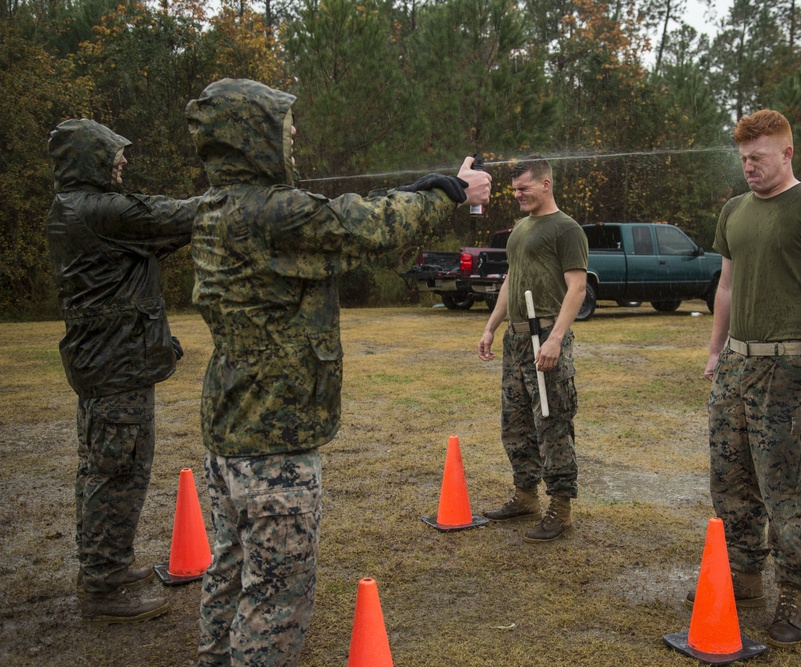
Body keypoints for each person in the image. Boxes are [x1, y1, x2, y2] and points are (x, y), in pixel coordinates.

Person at [185, 78, 491, 666]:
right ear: (252, 136)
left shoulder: (223, 206)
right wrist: (448, 196)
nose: (293, 133)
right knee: (276, 596)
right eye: (283, 125)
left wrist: (419, 188)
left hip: (231, 431)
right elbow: (362, 228)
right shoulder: (271, 212)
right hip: (273, 443)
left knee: (230, 570)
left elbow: (338, 217)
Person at [694, 110, 801, 646]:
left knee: (785, 485)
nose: (749, 167)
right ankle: (743, 577)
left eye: (758, 157)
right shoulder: (734, 211)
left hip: (787, 366)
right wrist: (716, 350)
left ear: (787, 153)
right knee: (729, 478)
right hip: (736, 363)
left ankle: (793, 591)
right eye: (743, 158)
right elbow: (726, 288)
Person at [46, 118, 201, 623]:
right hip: (116, 368)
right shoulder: (98, 210)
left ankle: (106, 568)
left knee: (102, 469)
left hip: (107, 363)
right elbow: (176, 217)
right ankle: (103, 586)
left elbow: (158, 235)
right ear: (91, 160)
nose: (124, 161)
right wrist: (240, 197)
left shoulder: (76, 209)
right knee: (116, 473)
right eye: (115, 154)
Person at [477, 155, 588, 542]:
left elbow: (577, 287)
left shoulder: (566, 229)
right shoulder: (520, 230)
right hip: (517, 339)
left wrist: (556, 337)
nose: (518, 194)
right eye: (514, 189)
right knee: (516, 423)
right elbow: (511, 281)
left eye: (523, 187)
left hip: (546, 337)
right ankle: (525, 496)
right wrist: (491, 327)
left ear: (545, 184)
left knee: (552, 422)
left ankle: (560, 507)